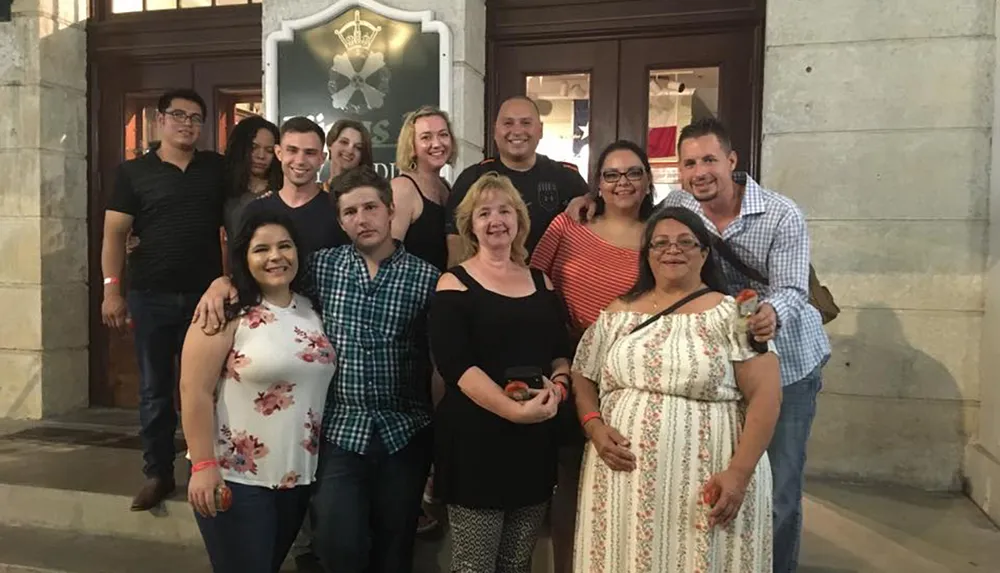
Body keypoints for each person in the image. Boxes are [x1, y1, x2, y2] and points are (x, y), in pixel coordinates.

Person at [566, 118, 830, 573]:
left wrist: (762, 317)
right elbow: (643, 214)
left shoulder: (780, 215)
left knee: (778, 496)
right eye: (689, 162)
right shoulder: (678, 208)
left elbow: (790, 291)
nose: (699, 171)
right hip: (639, 481)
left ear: (732, 161)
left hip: (781, 349)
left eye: (709, 159)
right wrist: (591, 199)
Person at [572, 206, 781, 572]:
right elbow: (583, 372)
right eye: (661, 243)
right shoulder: (618, 311)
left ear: (704, 253)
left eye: (687, 242)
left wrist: (739, 474)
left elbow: (766, 394)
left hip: (708, 480)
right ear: (647, 254)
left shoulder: (736, 313)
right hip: (623, 485)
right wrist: (594, 426)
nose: (673, 250)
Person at [429, 172, 573, 573]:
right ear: (470, 225)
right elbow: (456, 366)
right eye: (484, 212)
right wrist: (514, 412)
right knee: (475, 565)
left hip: (534, 443)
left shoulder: (542, 282)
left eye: (505, 210)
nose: (496, 220)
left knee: (517, 561)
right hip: (476, 443)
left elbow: (560, 354)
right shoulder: (453, 283)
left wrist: (558, 390)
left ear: (519, 221)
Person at [180, 210, 336, 573]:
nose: (275, 257)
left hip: (296, 477)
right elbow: (193, 390)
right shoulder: (225, 310)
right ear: (244, 258)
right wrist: (203, 466)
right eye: (261, 249)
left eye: (285, 246)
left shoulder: (312, 309)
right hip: (236, 478)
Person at [528, 140, 654, 570]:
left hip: (633, 376)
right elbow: (534, 279)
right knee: (570, 482)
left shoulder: (660, 235)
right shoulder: (569, 224)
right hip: (569, 363)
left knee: (625, 476)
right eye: (612, 174)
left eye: (633, 173)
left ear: (648, 180)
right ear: (597, 183)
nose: (623, 183)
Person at [100, 88, 225, 512]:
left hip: (204, 301)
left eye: (195, 117)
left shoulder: (215, 169)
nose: (187, 123)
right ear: (159, 120)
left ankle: (203, 467)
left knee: (208, 388)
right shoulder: (133, 173)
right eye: (178, 115)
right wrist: (111, 290)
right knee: (155, 391)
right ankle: (157, 473)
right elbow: (115, 234)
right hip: (149, 296)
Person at [310, 166, 439, 573]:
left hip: (404, 431)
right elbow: (260, 284)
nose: (361, 219)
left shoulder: (428, 278)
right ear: (340, 221)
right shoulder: (320, 268)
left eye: (370, 207)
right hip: (340, 430)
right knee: (336, 542)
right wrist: (220, 285)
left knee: (394, 548)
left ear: (389, 210)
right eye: (350, 212)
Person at [445, 95, 589, 267]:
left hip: (553, 287)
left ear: (540, 130)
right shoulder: (472, 178)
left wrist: (589, 199)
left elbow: (597, 230)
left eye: (526, 123)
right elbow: (457, 247)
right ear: (495, 130)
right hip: (489, 286)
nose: (517, 130)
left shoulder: (567, 178)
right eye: (508, 123)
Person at [391, 105, 454, 272]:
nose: (437, 143)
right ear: (411, 146)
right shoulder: (402, 188)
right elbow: (387, 258)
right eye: (426, 137)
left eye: (443, 135)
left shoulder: (447, 187)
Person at [221, 116, 283, 242]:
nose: (261, 156)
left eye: (269, 150)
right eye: (254, 147)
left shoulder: (282, 191)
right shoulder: (224, 189)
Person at [323, 118, 373, 190]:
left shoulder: (368, 193)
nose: (350, 151)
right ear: (330, 143)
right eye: (344, 142)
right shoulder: (312, 193)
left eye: (358, 147)